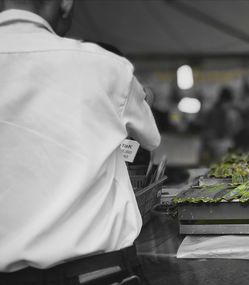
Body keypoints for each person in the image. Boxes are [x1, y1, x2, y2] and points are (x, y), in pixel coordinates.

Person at [0, 1, 160, 284]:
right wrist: (142, 96)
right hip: (97, 273)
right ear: (65, 3)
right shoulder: (106, 66)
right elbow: (150, 138)